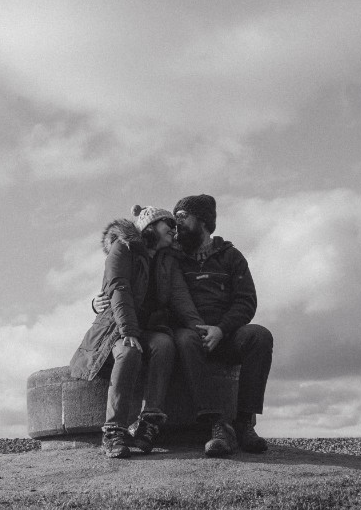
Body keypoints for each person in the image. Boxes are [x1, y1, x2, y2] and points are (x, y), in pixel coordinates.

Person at [95, 194, 273, 458]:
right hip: (157, 331)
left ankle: (244, 424)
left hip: (218, 331)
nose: (176, 226)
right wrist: (103, 306)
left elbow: (239, 301)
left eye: (181, 218)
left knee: (259, 336)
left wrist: (217, 328)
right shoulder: (157, 252)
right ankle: (215, 425)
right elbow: (122, 284)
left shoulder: (224, 257)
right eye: (172, 220)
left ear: (201, 221)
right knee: (177, 340)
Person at [69, 205, 206, 458]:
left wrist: (199, 328)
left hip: (150, 327)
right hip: (116, 327)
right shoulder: (123, 248)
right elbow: (118, 288)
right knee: (129, 352)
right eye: (169, 225)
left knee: (165, 344)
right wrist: (128, 330)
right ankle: (114, 431)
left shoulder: (168, 259)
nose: (174, 231)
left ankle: (150, 422)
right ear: (151, 226)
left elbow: (180, 297)